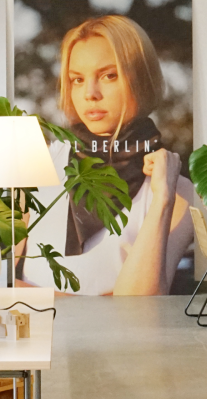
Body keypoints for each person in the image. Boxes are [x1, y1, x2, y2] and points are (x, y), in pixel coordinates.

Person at [21, 15, 194, 295]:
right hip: (34, 334)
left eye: (109, 75)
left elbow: (141, 306)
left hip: (119, 340)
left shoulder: (178, 192)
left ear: (141, 78)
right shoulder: (40, 163)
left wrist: (163, 199)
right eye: (77, 79)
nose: (90, 93)